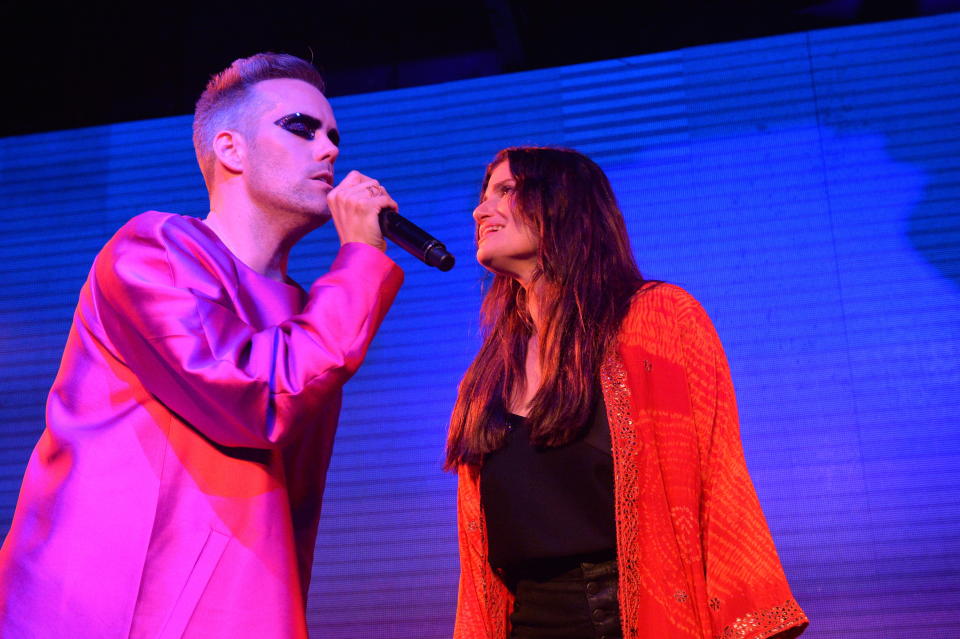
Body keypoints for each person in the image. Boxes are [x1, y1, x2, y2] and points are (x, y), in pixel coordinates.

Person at [0, 53, 403, 638]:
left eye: (333, 135)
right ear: (231, 149)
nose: (329, 150)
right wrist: (362, 260)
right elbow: (258, 399)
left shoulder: (305, 315)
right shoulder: (154, 251)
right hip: (104, 611)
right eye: (301, 127)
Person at [446, 147, 808, 639]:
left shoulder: (658, 319)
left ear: (564, 205)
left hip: (631, 620)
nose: (480, 210)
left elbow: (717, 480)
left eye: (506, 191)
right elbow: (479, 558)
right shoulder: (486, 374)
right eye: (483, 195)